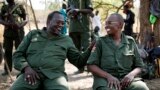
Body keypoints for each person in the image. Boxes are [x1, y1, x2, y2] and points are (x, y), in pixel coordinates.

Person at [10, 11, 95, 90]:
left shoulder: (66, 40)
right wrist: (26, 68)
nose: (61, 25)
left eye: (63, 23)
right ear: (48, 22)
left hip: (55, 76)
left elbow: (78, 61)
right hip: (31, 74)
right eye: (58, 22)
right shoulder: (33, 34)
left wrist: (90, 49)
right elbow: (17, 55)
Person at [87, 13, 149, 90]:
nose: (106, 26)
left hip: (126, 80)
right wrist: (108, 76)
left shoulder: (130, 41)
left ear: (120, 25)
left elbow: (140, 66)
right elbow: (90, 65)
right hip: (106, 80)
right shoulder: (100, 42)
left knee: (142, 87)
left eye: (109, 23)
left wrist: (130, 75)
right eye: (106, 23)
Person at [0, 0, 27, 76]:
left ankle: (22, 68)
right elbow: (0, 19)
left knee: (20, 50)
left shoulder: (20, 7)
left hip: (19, 32)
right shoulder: (4, 7)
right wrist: (7, 24)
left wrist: (20, 26)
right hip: (8, 32)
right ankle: (7, 69)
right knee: (7, 51)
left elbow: (26, 19)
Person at [67, 0, 93, 73]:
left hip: (84, 27)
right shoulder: (70, 0)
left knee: (87, 48)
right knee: (76, 50)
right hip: (73, 28)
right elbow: (67, 11)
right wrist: (71, 12)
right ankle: (80, 68)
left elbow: (90, 10)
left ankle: (90, 67)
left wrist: (79, 10)